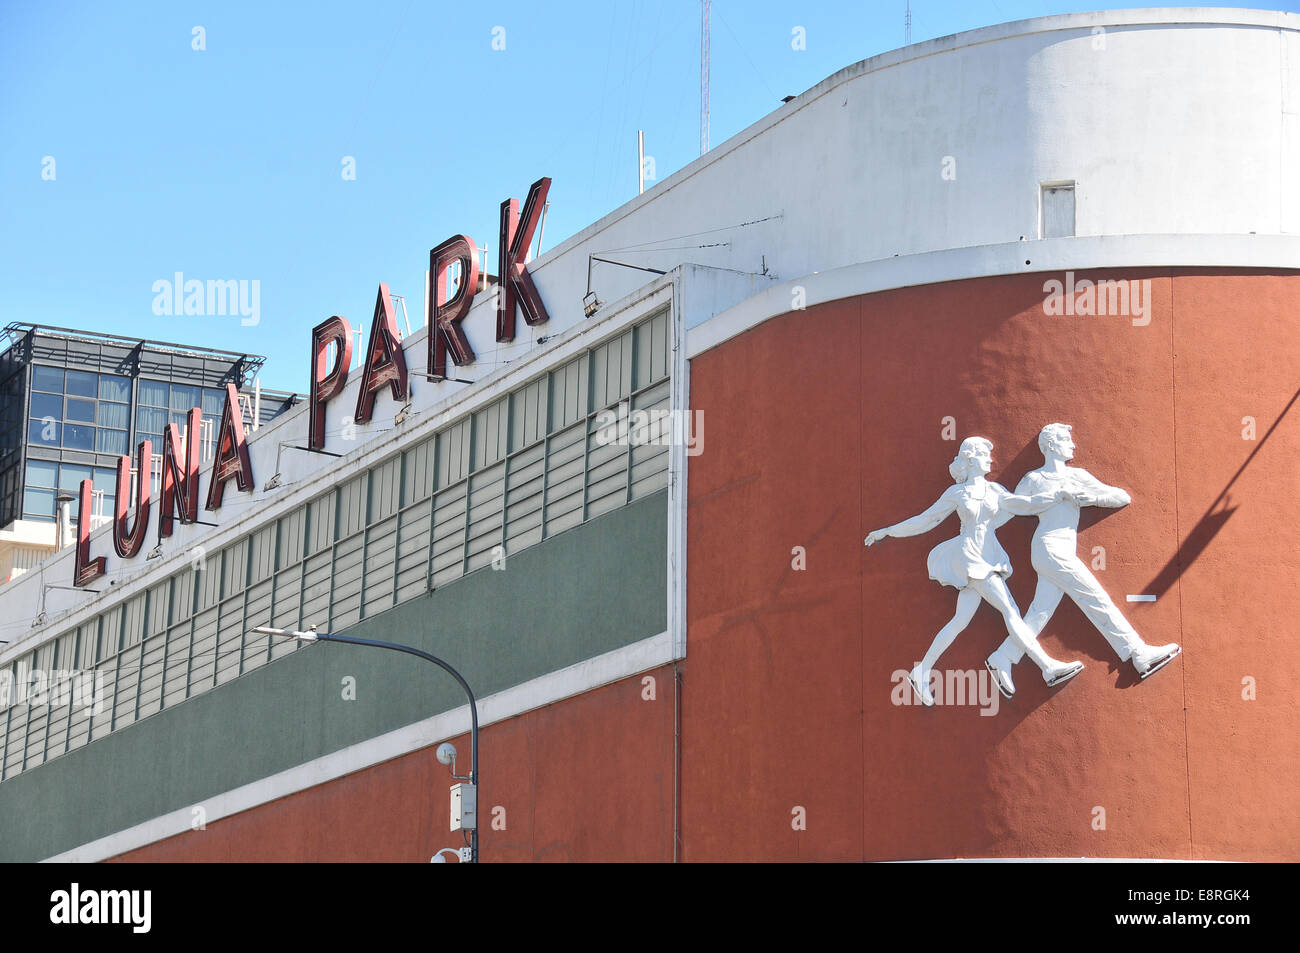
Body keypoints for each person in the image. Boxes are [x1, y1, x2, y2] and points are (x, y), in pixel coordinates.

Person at [865, 436, 1085, 706]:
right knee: (1009, 610)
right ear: (970, 460)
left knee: (960, 620)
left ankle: (921, 671)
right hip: (970, 556)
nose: (990, 459)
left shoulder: (995, 490)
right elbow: (926, 519)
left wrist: (1056, 495)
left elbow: (1024, 505)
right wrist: (888, 531)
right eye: (984, 455)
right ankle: (1047, 667)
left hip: (987, 553)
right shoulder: (957, 494)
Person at [983, 424, 1181, 698]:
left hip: (1062, 548)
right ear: (1050, 445)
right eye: (1066, 440)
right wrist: (1050, 498)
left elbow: (1121, 497)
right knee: (1095, 598)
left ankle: (1003, 656)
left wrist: (1091, 497)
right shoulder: (1036, 478)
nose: (1073, 446)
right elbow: (1014, 506)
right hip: (1049, 548)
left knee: (1040, 612)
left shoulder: (1077, 476)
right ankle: (1137, 653)